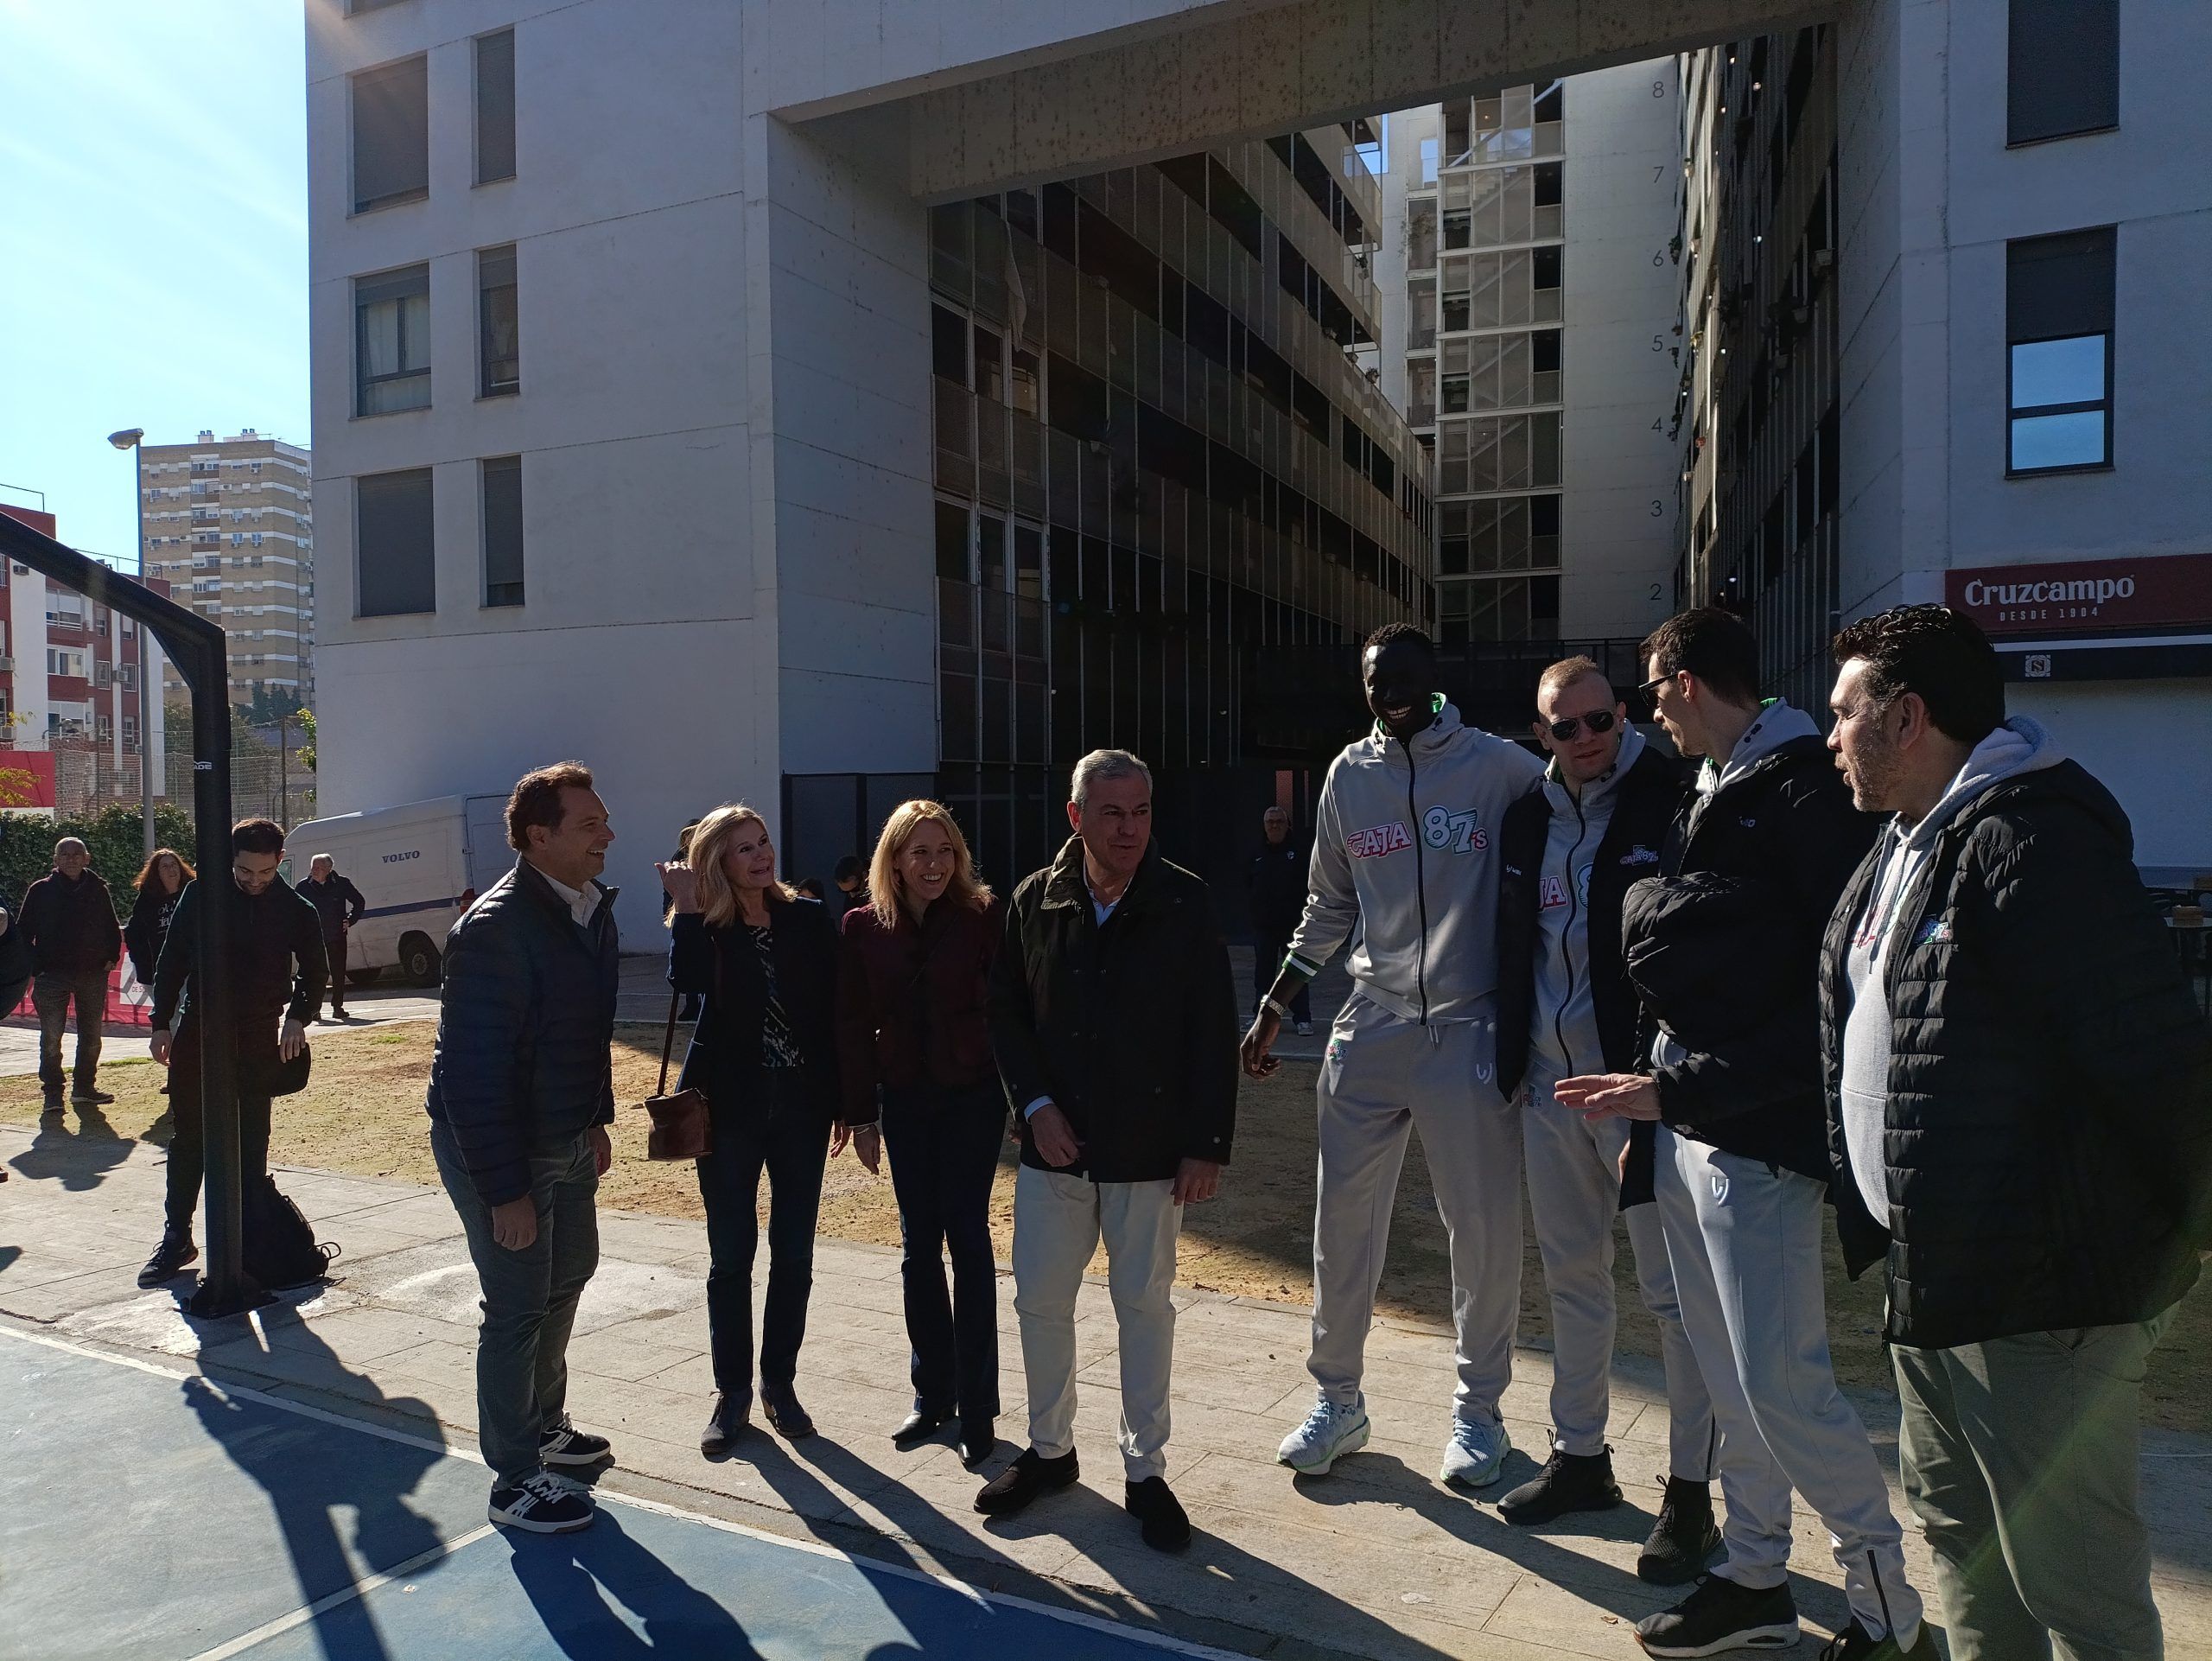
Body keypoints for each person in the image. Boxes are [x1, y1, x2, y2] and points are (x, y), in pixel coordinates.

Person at [1820, 605, 2212, 1661]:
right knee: (1964, 1542)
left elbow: (2155, 1056)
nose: (1829, 737)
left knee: (2071, 1582)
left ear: (1905, 718)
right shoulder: (1905, 844)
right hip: (1938, 1277)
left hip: (2045, 1294)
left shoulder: (2030, 841)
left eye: (1843, 713)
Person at [1554, 609, 1930, 1661]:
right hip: (1684, 1119)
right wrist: (1655, 1104)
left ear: (1681, 680)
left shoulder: (1810, 792)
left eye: (1649, 691)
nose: (1642, 714)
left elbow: (1829, 997)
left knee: (1783, 1378)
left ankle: (1886, 1607)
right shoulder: (1713, 784)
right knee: (1725, 1370)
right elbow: (1678, 973)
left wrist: (1685, 1091)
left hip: (1752, 1132)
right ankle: (1754, 1571)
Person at [1248, 623, 1543, 1489]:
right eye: (1376, 679)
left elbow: (1574, 821)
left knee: (1481, 1231)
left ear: (1435, 678)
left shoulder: (1500, 767)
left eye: (1405, 676)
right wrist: (1274, 1004)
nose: (1391, 692)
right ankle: (1338, 1400)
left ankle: (1479, 1411)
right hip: (1368, 1024)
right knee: (1341, 1226)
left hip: (1467, 1027)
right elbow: (1328, 905)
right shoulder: (1349, 774)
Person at [1492, 658, 1719, 1582]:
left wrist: (1666, 1076)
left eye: (1599, 720)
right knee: (1573, 1278)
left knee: (1673, 1300)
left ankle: (1689, 1494)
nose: (1585, 739)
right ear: (1540, 732)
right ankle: (1579, 1456)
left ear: (1622, 714)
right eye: (1564, 726)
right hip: (1550, 1087)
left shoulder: (1672, 796)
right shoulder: (1525, 816)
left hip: (1640, 1092)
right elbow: (1511, 943)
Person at [977, 749, 1236, 1553]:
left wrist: (1205, 1145)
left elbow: (1210, 1033)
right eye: (1112, 812)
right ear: (1077, 817)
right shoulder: (1035, 900)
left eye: (1141, 811)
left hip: (1152, 1155)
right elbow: (1006, 1016)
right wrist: (1036, 1105)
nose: (1129, 828)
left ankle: (1144, 1471)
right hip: (1056, 1151)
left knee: (1145, 1309)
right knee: (1040, 1303)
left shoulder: (1184, 902)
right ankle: (1050, 1453)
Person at [426, 763, 619, 1537]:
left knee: (569, 1275)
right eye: (589, 825)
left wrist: (594, 1118)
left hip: (565, 1136)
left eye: (603, 820)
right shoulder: (495, 929)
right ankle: (514, 1477)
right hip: (503, 1149)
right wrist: (503, 1189)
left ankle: (543, 1425)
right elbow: (471, 1075)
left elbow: (584, 1035)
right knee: (515, 1308)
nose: (607, 834)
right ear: (538, 837)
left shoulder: (587, 910)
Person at [656, 803, 851, 1458]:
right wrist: (685, 908)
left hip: (801, 1107)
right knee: (730, 1259)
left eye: (764, 842)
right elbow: (685, 989)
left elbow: (837, 1013)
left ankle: (781, 1383)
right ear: (718, 860)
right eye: (744, 848)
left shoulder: (806, 918)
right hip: (730, 1111)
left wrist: (850, 1103)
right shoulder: (708, 929)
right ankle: (732, 1391)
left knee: (794, 1254)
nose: (761, 855)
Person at [837, 800, 1004, 1467]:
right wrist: (859, 1114)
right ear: (895, 861)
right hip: (905, 1096)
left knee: (968, 1236)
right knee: (917, 1245)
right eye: (920, 853)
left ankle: (979, 1405)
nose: (933, 865)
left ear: (958, 857)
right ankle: (931, 1393)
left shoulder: (985, 917)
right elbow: (848, 1025)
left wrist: (1028, 1098)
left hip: (974, 1095)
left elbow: (1010, 1008)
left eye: (944, 852)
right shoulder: (862, 928)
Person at [137, 820, 327, 1289]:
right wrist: (161, 1023)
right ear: (231, 861)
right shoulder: (202, 896)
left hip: (259, 1033)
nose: (254, 881)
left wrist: (299, 1017)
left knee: (250, 1147)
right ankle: (177, 1236)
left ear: (280, 861)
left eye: (264, 872)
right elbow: (172, 960)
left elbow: (316, 971)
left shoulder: (296, 907)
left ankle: (249, 1244)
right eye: (244, 871)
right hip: (200, 1029)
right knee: (189, 1140)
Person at [20, 837, 123, 1111]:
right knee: (51, 1037)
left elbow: (111, 925)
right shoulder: (40, 891)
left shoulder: (99, 889)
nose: (71, 858)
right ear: (55, 860)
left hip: (93, 974)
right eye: (64, 854)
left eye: (77, 853)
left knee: (91, 1036)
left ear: (87, 858)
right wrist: (32, 968)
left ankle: (84, 1088)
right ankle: (53, 1092)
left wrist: (112, 957)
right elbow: (24, 931)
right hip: (51, 976)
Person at [1247, 805, 1313, 1036]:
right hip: (1264, 926)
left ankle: (1302, 1018)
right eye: (1270, 822)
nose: (1274, 826)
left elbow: (1310, 885)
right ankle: (1260, 1017)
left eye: (1279, 822)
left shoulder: (1299, 852)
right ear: (1264, 826)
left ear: (1287, 825)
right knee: (1263, 973)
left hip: (1293, 926)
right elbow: (1246, 884)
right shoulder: (1256, 852)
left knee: (1295, 973)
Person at [296, 854, 365, 1021]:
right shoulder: (303, 886)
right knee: (315, 973)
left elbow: (359, 902)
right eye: (312, 867)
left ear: (329, 869)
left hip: (336, 934)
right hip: (313, 937)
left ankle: (338, 1007)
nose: (314, 871)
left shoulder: (341, 883)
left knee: (338, 971)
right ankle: (315, 1008)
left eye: (318, 868)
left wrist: (350, 920)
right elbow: (293, 908)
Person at [124, 848, 194, 990]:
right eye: (165, 866)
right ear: (157, 873)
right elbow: (134, 933)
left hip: (191, 968)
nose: (171, 869)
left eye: (174, 864)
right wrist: (140, 959)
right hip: (159, 969)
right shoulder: (146, 900)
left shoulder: (193, 892)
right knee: (165, 1011)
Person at [830, 855, 869, 926]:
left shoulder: (881, 895)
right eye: (845, 892)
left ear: (865, 876)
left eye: (855, 890)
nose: (852, 895)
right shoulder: (849, 900)